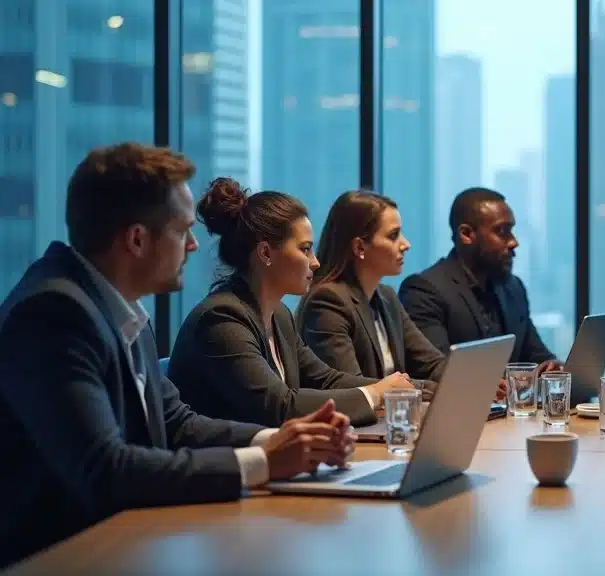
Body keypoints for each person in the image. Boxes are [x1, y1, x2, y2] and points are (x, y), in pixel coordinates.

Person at [0, 144, 356, 569]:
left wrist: (280, 440)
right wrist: (265, 462)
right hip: (66, 556)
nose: (191, 245)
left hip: (129, 542)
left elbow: (174, 421)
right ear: (136, 239)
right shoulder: (55, 315)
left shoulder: (119, 307)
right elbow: (106, 470)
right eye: (182, 231)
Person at [169, 179, 411, 428]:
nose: (315, 262)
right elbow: (280, 406)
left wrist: (398, 387)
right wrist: (376, 393)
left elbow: (325, 380)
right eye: (305, 249)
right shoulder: (221, 318)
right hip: (224, 463)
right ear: (265, 253)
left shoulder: (279, 315)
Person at [295, 191, 447, 394]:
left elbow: (431, 363)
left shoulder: (387, 296)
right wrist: (431, 388)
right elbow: (354, 388)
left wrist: (473, 379)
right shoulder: (327, 301)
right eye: (393, 236)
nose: (405, 244)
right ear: (359, 246)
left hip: (390, 420)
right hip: (356, 424)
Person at [399, 187, 560, 372]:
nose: (514, 242)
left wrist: (552, 368)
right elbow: (437, 371)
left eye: (512, 231)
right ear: (466, 234)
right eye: (501, 231)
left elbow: (537, 356)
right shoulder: (424, 291)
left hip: (510, 401)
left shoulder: (513, 288)